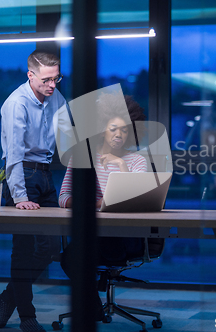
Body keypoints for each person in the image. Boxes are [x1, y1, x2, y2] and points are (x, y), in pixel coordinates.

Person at [58, 93, 147, 320]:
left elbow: (133, 200)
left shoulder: (138, 161)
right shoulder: (82, 157)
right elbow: (64, 196)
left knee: (77, 253)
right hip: (93, 234)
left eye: (125, 130)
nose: (119, 134)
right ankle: (93, 302)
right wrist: (99, 203)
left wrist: (120, 164)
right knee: (70, 257)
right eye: (113, 128)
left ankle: (92, 303)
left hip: (126, 237)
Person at [0, 50, 67, 332]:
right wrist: (20, 197)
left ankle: (8, 296)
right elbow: (13, 154)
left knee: (50, 247)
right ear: (30, 75)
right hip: (21, 174)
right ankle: (27, 315)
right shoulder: (16, 104)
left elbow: (70, 130)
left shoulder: (55, 97)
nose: (52, 85)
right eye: (47, 80)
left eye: (57, 78)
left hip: (46, 175)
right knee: (23, 250)